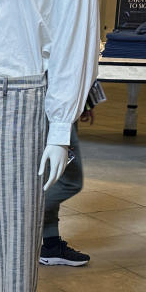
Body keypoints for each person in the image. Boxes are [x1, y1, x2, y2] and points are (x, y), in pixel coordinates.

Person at [39, 100, 97, 267]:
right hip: (58, 107)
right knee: (70, 182)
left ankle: (51, 245)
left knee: (52, 180)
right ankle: (20, 218)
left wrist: (85, 103)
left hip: (63, 107)